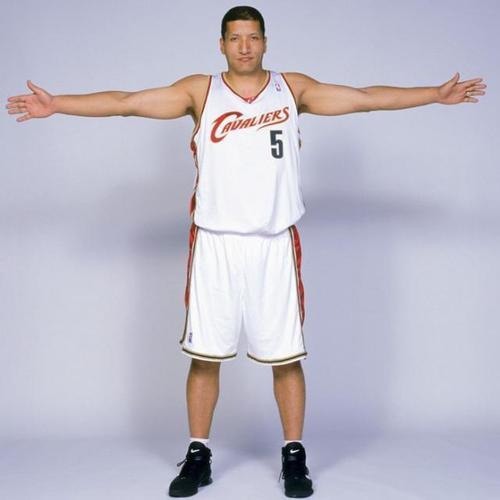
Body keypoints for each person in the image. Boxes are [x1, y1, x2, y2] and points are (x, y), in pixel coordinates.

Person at [6, 5, 486, 498]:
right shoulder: (200, 92)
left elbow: (364, 99)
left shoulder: (292, 89)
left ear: (265, 42)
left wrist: (434, 95)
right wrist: (57, 104)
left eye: (253, 37)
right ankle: (198, 454)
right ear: (221, 44)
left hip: (274, 242)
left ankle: (293, 455)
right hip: (215, 244)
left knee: (285, 356)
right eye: (235, 38)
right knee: (205, 356)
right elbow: (127, 102)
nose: (244, 46)